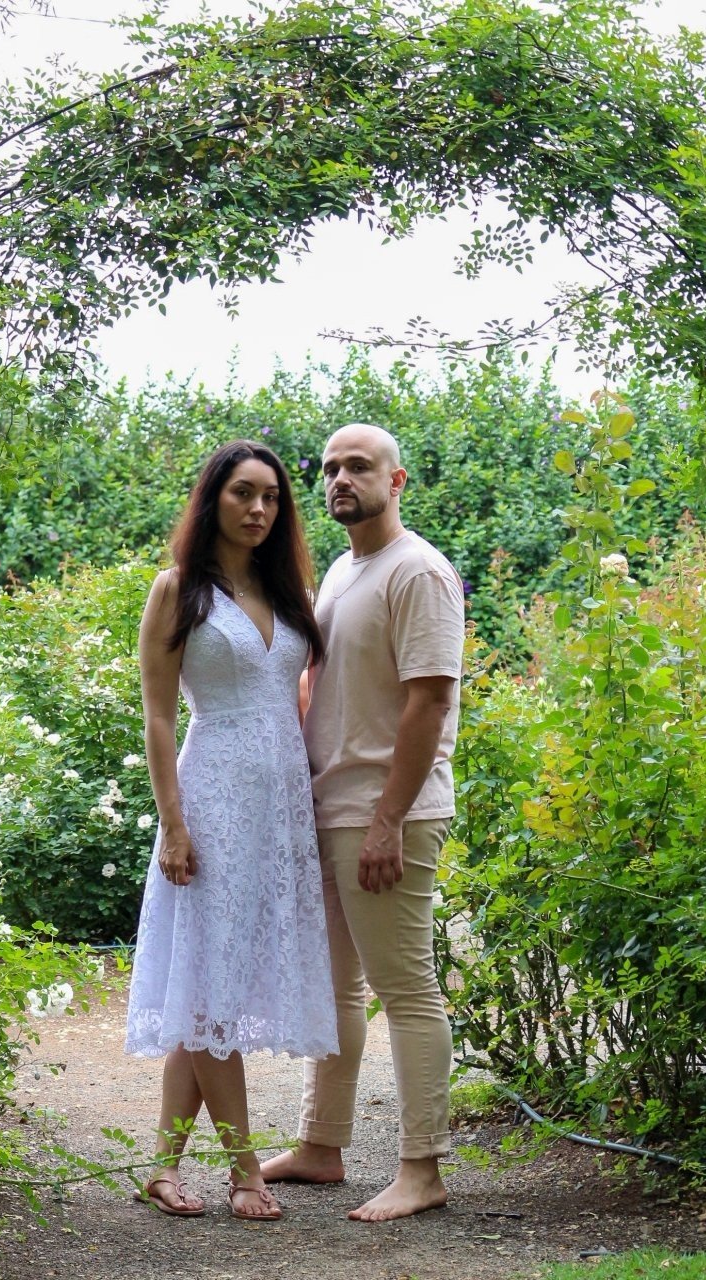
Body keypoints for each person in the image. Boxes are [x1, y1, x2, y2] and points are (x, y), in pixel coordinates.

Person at [125, 439, 339, 1221]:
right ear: (212, 497)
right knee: (212, 988)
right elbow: (157, 716)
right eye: (243, 492)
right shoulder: (177, 589)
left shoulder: (291, 593)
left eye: (272, 496)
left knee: (206, 989)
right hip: (210, 802)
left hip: (279, 810)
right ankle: (244, 1170)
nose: (258, 508)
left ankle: (161, 1166)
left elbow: (304, 701)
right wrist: (173, 825)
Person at [261, 423, 465, 1222]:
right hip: (332, 805)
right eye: (329, 468)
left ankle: (422, 1168)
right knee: (335, 987)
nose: (339, 479)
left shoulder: (417, 571)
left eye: (358, 466)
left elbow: (430, 701)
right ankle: (321, 1145)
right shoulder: (346, 570)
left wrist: (388, 820)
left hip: (385, 813)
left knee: (405, 989)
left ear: (396, 480)